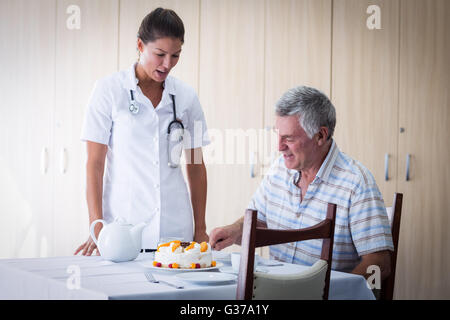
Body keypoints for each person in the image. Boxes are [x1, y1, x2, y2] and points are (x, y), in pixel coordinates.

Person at [210, 86, 393, 280]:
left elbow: (380, 264)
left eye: (288, 138)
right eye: (278, 136)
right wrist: (234, 230)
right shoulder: (279, 168)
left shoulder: (356, 183)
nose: (279, 147)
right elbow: (260, 222)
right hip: (275, 290)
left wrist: (335, 293)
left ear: (320, 136)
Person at [75, 8, 210, 256]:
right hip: (122, 231)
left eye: (175, 55)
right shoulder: (108, 91)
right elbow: (95, 164)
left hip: (176, 230)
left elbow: (195, 164)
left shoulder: (187, 97)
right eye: (160, 54)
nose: (167, 64)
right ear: (140, 45)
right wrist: (97, 226)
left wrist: (200, 228)